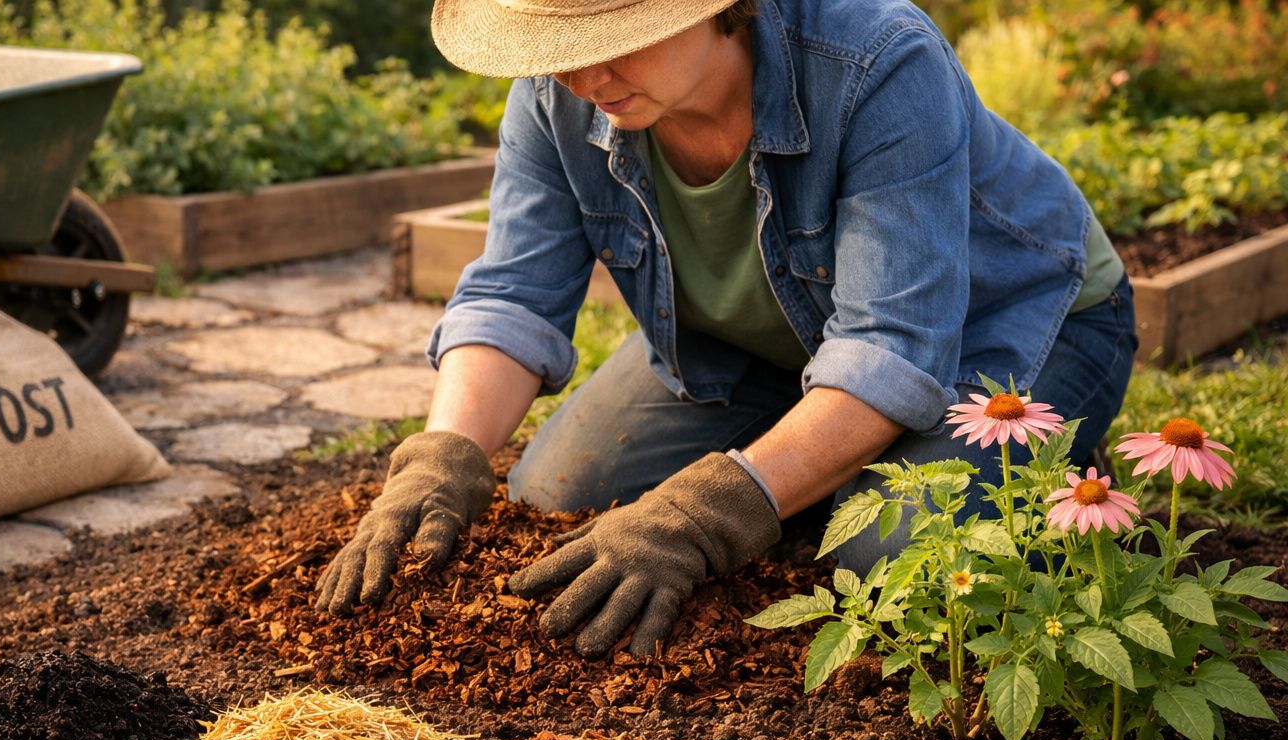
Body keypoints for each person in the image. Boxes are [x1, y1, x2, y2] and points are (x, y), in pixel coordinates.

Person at [316, 0, 1137, 659]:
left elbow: (892, 349)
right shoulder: (554, 92)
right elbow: (514, 294)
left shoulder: (878, 59)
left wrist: (707, 513)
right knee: (558, 498)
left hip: (1011, 328)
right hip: (767, 345)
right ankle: (821, 458)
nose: (583, 73)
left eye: (613, 36)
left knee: (889, 564)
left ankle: (1057, 462)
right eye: (558, 40)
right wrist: (442, 456)